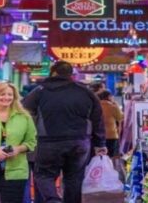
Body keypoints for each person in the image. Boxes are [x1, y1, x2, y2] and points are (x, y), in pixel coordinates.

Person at [23, 61, 106, 203]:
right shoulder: (85, 92)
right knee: (74, 179)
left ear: (53, 72)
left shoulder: (40, 90)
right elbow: (97, 119)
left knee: (44, 175)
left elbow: (25, 111)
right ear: (71, 74)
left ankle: (53, 200)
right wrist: (100, 143)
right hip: (80, 142)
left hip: (48, 141)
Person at [98, 90, 124, 158]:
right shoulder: (112, 106)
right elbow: (120, 117)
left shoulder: (96, 106)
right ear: (109, 97)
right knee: (110, 156)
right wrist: (116, 105)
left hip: (98, 135)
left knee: (100, 156)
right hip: (111, 135)